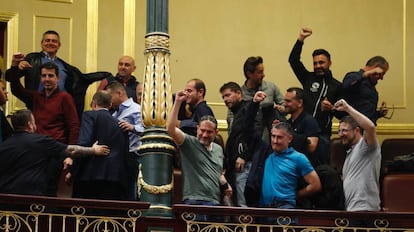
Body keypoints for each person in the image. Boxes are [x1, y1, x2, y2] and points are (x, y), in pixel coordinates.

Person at [6, 61, 80, 196]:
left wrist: (70, 155)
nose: (47, 79)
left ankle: (47, 216)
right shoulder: (36, 96)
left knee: (50, 187)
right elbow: (16, 89)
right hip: (36, 149)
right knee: (33, 186)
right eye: (44, 76)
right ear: (40, 78)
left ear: (58, 78)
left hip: (55, 150)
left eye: (50, 76)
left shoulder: (65, 98)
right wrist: (15, 67)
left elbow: (74, 126)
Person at [0, 109, 109, 196]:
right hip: (32, 196)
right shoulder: (40, 141)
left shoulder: (4, 146)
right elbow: (72, 151)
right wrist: (93, 150)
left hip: (7, 197)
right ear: (29, 124)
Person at [8, 30, 112, 119]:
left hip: (60, 111)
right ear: (42, 43)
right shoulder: (32, 59)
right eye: (47, 40)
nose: (50, 43)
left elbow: (84, 78)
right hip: (37, 107)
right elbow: (9, 78)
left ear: (59, 45)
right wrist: (16, 67)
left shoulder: (65, 66)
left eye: (54, 41)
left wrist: (107, 75)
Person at [244, 91, 321, 209]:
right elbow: (247, 128)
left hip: (285, 209)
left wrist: (295, 196)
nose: (275, 141)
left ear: (289, 139)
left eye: (279, 137)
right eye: (273, 136)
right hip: (262, 209)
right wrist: (254, 103)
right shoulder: (265, 151)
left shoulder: (298, 158)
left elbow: (315, 185)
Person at [167, 90, 232, 211]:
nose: (204, 134)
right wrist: (177, 102)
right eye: (202, 130)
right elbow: (170, 129)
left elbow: (218, 173)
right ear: (197, 129)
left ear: (216, 132)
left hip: (215, 202)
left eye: (209, 132)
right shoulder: (189, 142)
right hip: (194, 202)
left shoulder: (218, 149)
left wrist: (226, 185)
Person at [288, 27, 343, 161]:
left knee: (319, 171)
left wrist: (332, 109)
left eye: (321, 62)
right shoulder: (308, 78)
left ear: (330, 63)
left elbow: (344, 115)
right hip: (301, 133)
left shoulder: (337, 86)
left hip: (322, 136)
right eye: (315, 63)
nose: (318, 66)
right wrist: (300, 39)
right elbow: (293, 61)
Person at [72, 91, 131, 200]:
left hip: (89, 176)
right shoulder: (121, 125)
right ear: (110, 105)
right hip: (115, 178)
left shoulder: (89, 116)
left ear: (93, 103)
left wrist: (73, 172)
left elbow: (83, 143)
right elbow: (125, 155)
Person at [334, 99, 381, 224]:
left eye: (344, 130)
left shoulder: (366, 147)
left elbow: (370, 126)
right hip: (352, 210)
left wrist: (347, 108)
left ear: (356, 130)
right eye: (339, 130)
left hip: (366, 211)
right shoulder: (351, 152)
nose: (340, 134)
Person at [105, 81, 144, 200]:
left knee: (133, 189)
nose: (109, 101)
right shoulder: (115, 114)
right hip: (120, 158)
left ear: (119, 93)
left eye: (110, 97)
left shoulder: (136, 109)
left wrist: (132, 128)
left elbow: (147, 129)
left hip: (135, 156)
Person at [220, 82, 251, 207]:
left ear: (239, 93)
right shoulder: (235, 113)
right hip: (235, 165)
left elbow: (255, 134)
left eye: (228, 95)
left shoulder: (249, 109)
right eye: (223, 97)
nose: (225, 99)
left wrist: (244, 155)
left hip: (244, 163)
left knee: (243, 205)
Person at [241, 56, 285, 142]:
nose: (263, 75)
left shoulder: (271, 87)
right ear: (249, 74)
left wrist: (280, 108)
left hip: (271, 140)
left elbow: (285, 105)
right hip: (249, 139)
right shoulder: (241, 93)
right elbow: (232, 116)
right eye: (259, 72)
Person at [342, 56, 389, 125]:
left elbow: (366, 112)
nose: (381, 78)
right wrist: (366, 74)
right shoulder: (353, 76)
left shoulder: (370, 86)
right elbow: (346, 87)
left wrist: (379, 113)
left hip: (367, 128)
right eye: (382, 73)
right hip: (353, 127)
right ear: (376, 67)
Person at [284, 87, 323, 166]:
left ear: (300, 103)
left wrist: (289, 135)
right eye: (284, 100)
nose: (284, 104)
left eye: (288, 101)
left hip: (305, 167)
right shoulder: (288, 122)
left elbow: (312, 147)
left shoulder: (309, 121)